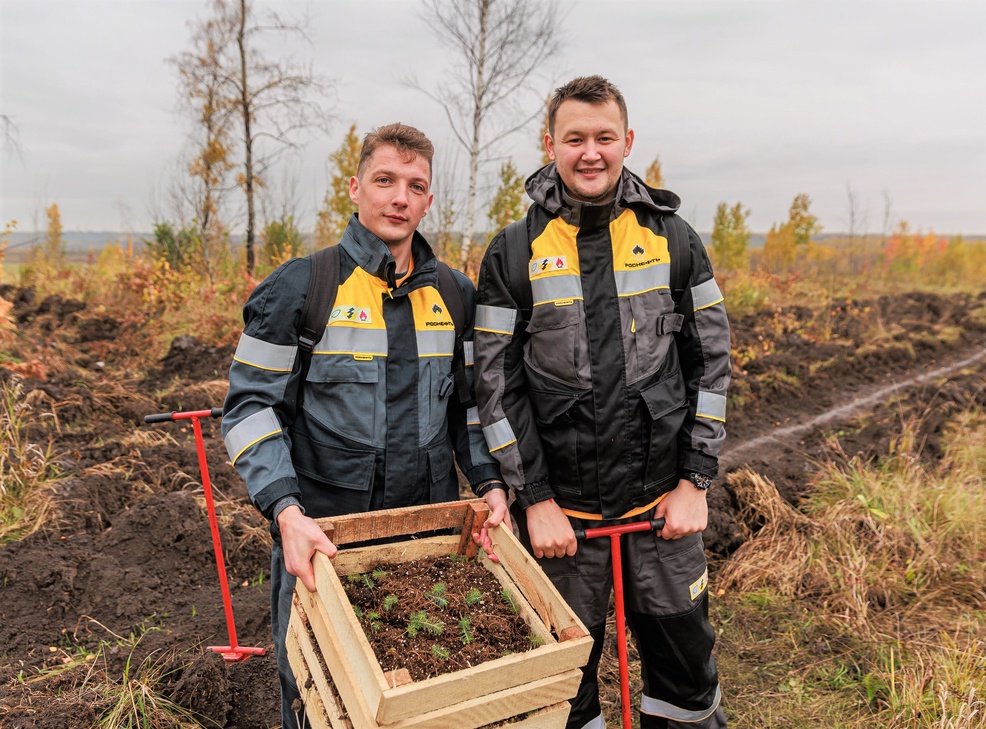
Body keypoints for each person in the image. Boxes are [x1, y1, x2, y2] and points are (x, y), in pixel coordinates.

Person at [221, 123, 506, 729]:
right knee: (318, 695)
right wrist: (286, 513)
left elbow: (471, 411)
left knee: (425, 695)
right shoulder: (303, 288)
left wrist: (491, 487)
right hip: (323, 543)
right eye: (385, 180)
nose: (399, 197)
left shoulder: (456, 296)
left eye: (415, 185)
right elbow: (248, 409)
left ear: (429, 201)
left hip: (426, 541)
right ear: (354, 188)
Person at [473, 76, 731, 729]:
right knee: (559, 694)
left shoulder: (675, 239)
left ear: (628, 142)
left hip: (661, 513)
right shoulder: (512, 251)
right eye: (575, 138)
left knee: (687, 690)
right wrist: (535, 499)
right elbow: (494, 383)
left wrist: (695, 481)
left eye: (604, 138)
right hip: (565, 527)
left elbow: (712, 362)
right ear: (550, 145)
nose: (591, 153)